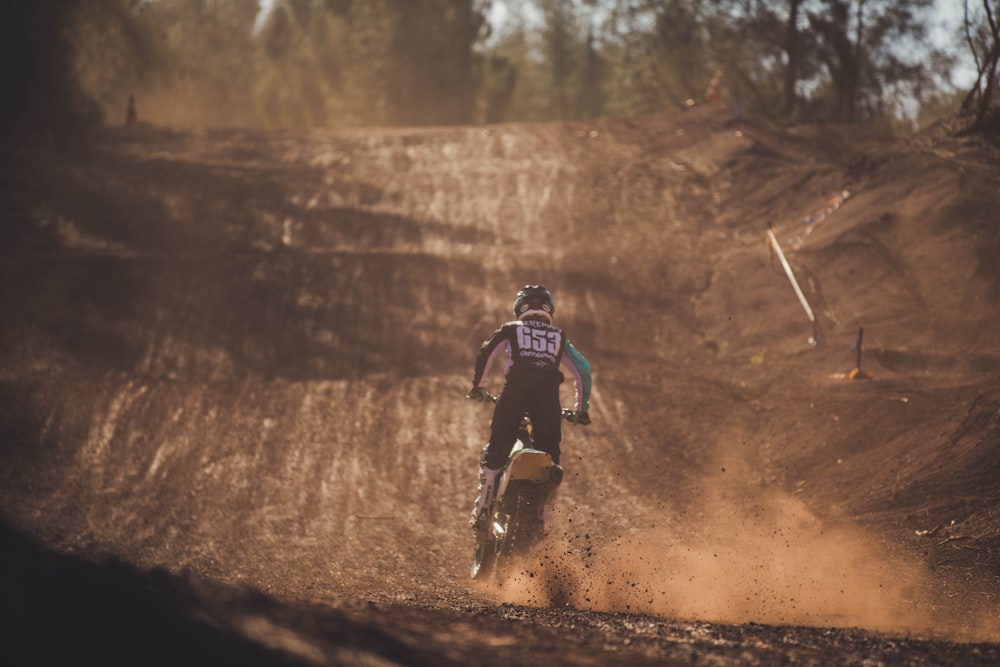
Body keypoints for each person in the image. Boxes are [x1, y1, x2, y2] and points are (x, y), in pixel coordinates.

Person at [466, 285, 592, 532]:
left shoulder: (511, 329)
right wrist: (581, 409)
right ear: (549, 309)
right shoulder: (559, 336)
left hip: (515, 393)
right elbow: (583, 369)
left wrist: (478, 387)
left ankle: (483, 509)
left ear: (520, 308)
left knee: (497, 449)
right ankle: (544, 520)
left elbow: (486, 352)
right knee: (551, 462)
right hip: (547, 400)